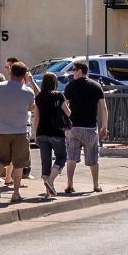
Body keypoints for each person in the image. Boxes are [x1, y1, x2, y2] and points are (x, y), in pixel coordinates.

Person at [0, 62, 38, 204]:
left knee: (0, 159)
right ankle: (15, 193)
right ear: (24, 76)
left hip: (2, 130)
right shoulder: (27, 91)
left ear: (11, 73)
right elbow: (31, 108)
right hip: (20, 131)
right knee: (19, 163)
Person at [63, 60, 107, 195]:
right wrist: (104, 126)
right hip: (90, 128)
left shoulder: (70, 86)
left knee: (71, 157)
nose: (72, 73)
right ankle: (96, 185)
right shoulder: (96, 86)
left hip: (73, 127)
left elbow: (65, 106)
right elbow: (103, 108)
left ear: (80, 71)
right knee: (93, 158)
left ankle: (69, 184)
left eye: (74, 70)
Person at [34, 72, 71, 200]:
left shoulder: (38, 97)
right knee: (62, 157)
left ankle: (48, 193)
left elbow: (36, 117)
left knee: (46, 162)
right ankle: (50, 180)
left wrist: (35, 134)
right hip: (56, 133)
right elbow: (68, 112)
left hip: (42, 133)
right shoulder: (59, 95)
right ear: (54, 83)